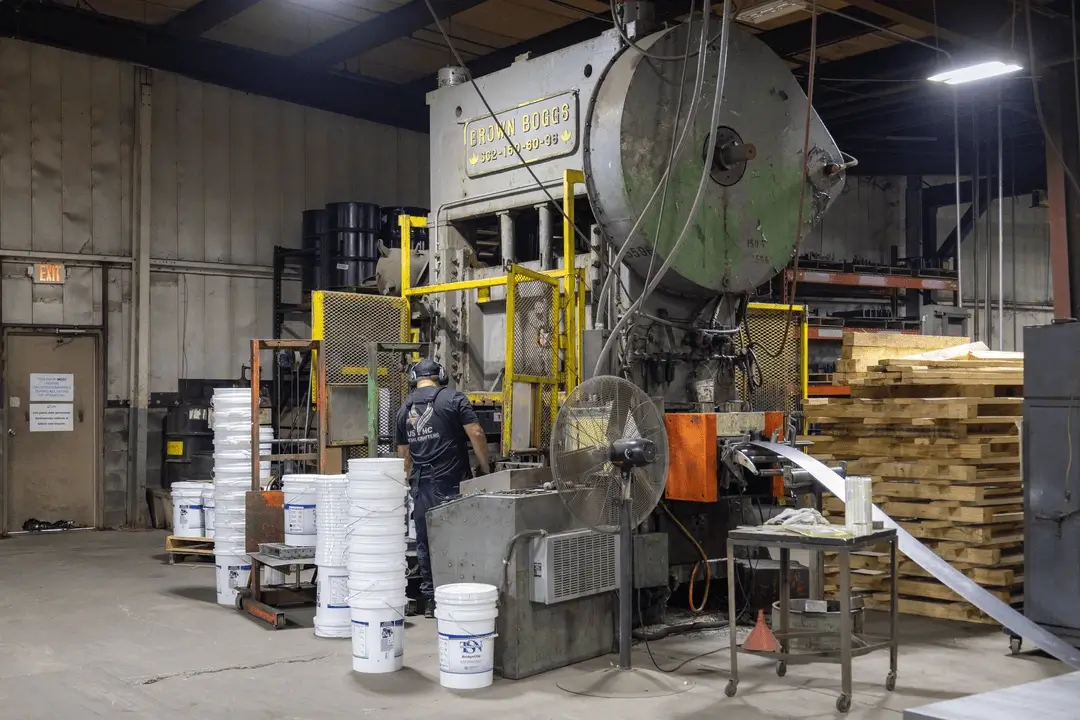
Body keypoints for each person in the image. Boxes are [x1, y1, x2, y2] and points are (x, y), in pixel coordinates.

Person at [395, 358, 491, 618]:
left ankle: (431, 601)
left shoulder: (404, 409)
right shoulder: (454, 399)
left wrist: (412, 479)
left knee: (425, 541)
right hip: (453, 483)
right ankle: (461, 596)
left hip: (422, 485)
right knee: (461, 538)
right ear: (441, 375)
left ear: (415, 378)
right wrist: (486, 467)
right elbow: (477, 432)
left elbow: (404, 454)